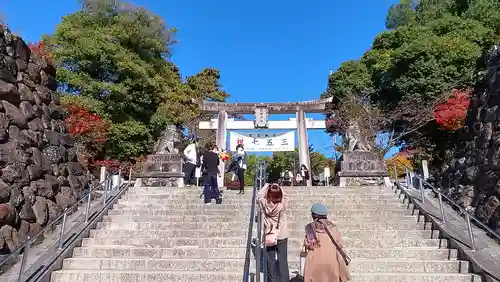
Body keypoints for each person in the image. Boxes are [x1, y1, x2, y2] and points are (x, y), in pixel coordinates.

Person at [303, 203, 351, 282]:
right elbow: (339, 244)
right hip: (332, 262)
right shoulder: (333, 228)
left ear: (313, 215)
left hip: (314, 264)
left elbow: (309, 246)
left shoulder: (309, 228)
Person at [257, 183, 290, 282]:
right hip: (282, 235)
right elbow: (286, 195)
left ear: (268, 194)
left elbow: (258, 196)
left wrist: (266, 186)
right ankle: (284, 280)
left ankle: (272, 280)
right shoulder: (282, 204)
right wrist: (278, 187)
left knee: (270, 260)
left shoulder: (264, 203)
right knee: (282, 260)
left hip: (269, 235)